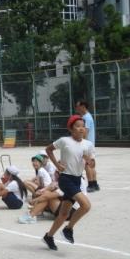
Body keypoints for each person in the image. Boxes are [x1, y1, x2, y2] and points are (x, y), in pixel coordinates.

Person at [42, 115, 95, 251]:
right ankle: (68, 229)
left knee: (64, 214)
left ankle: (48, 236)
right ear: (71, 128)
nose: (81, 128)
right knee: (86, 205)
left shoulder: (88, 144)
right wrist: (57, 165)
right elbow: (48, 149)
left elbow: (92, 163)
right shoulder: (64, 141)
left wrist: (90, 161)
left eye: (83, 126)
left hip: (77, 179)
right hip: (65, 179)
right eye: (77, 126)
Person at [75, 100, 99, 192]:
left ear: (83, 107)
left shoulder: (86, 118)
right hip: (90, 144)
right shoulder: (87, 116)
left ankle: (91, 184)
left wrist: (81, 142)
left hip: (87, 144)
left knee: (87, 165)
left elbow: (85, 132)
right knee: (91, 164)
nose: (76, 108)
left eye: (78, 106)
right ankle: (95, 184)